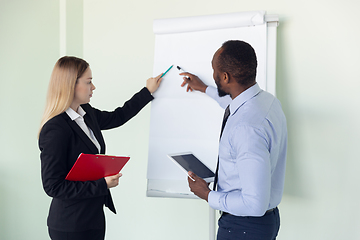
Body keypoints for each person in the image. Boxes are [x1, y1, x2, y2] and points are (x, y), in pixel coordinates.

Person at [38, 56, 162, 240]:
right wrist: (102, 185)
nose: (93, 87)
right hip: (70, 225)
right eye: (89, 82)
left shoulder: (87, 114)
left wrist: (147, 91)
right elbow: (53, 187)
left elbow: (118, 117)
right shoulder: (55, 129)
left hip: (93, 219)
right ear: (71, 85)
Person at [180, 40, 287, 240]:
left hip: (244, 226)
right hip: (261, 223)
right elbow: (233, 104)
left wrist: (207, 195)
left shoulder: (246, 129)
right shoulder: (266, 101)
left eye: (214, 71)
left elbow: (254, 204)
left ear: (225, 77)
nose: (213, 75)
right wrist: (204, 88)